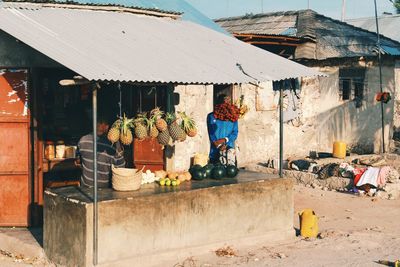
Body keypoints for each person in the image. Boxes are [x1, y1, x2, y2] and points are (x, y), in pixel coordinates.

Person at [77, 115, 125, 188]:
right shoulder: (113, 145)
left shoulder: (82, 140)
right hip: (104, 190)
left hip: (85, 188)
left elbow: (78, 161)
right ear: (106, 127)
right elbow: (121, 167)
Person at [207, 94, 239, 165]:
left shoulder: (233, 117)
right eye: (224, 101)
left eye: (228, 101)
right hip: (215, 151)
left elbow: (235, 132)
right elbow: (211, 132)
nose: (226, 103)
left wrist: (225, 140)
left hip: (229, 150)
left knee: (230, 171)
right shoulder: (212, 116)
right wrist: (218, 144)